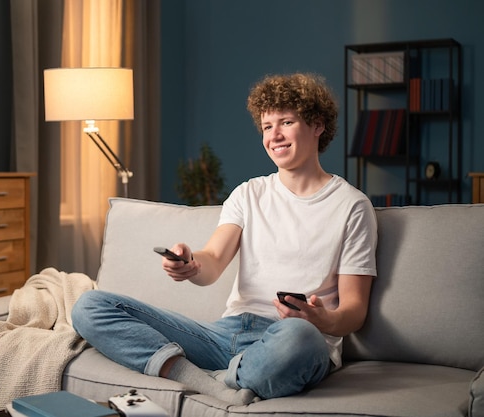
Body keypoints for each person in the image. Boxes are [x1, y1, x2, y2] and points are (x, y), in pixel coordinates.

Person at [72, 73, 378, 404]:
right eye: (266, 126)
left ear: (317, 125)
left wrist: (323, 319)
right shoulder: (249, 194)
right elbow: (214, 260)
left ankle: (226, 375)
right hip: (225, 335)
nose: (274, 135)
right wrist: (191, 264)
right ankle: (204, 378)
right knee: (91, 306)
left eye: (286, 122)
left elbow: (355, 311)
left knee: (301, 338)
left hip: (292, 338)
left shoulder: (352, 206)